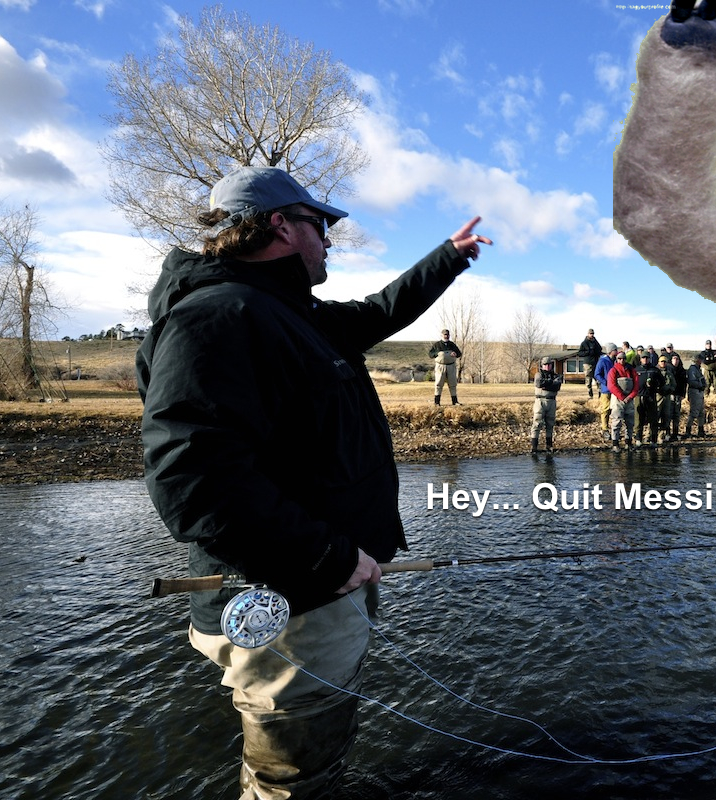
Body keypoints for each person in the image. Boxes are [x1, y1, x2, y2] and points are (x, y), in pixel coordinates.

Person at [136, 165, 491, 799]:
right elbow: (191, 477)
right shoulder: (220, 316)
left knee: (313, 766)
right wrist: (325, 557)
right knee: (289, 783)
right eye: (319, 224)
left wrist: (448, 258)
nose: (329, 239)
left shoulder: (289, 312)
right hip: (292, 603)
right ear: (279, 225)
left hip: (321, 586)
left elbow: (380, 312)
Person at [607, 350, 640, 452]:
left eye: (624, 358)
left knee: (630, 422)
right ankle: (615, 444)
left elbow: (636, 385)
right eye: (620, 358)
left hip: (629, 399)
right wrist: (622, 396)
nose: (622, 360)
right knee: (616, 422)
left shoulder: (631, 370)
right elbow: (611, 386)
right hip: (617, 399)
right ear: (617, 359)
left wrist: (630, 397)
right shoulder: (613, 370)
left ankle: (628, 442)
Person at [531, 357, 564, 453]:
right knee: (537, 424)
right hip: (540, 401)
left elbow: (557, 386)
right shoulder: (538, 374)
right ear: (542, 365)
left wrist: (547, 385)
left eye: (549, 364)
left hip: (552, 402)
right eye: (545, 365)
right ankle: (534, 447)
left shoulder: (556, 375)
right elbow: (539, 383)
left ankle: (549, 446)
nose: (547, 366)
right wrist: (551, 384)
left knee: (550, 424)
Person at [429, 329, 463, 405]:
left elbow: (459, 353)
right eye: (445, 335)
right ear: (442, 335)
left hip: (451, 366)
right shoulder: (437, 345)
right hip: (440, 366)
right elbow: (430, 354)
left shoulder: (452, 344)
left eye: (447, 335)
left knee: (453, 384)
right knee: (438, 384)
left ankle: (455, 402)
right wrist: (437, 353)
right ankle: (436, 402)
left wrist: (455, 354)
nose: (446, 336)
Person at [636, 353, 662, 444]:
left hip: (651, 396)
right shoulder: (636, 370)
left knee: (653, 419)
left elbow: (661, 382)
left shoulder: (655, 370)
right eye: (643, 358)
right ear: (640, 359)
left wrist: (656, 387)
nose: (645, 359)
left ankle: (653, 440)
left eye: (647, 358)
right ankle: (638, 439)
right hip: (639, 396)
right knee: (639, 419)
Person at [593, 343, 618, 440]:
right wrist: (606, 382)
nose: (617, 351)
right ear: (611, 351)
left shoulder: (616, 361)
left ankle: (614, 429)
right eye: (615, 350)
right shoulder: (602, 361)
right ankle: (605, 429)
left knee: (615, 409)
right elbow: (597, 374)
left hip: (615, 389)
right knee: (606, 409)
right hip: (606, 389)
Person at [656, 354, 680, 443]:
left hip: (667, 397)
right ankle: (652, 435)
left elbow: (674, 384)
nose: (663, 363)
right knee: (656, 416)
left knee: (666, 416)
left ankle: (662, 436)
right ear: (659, 362)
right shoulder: (655, 372)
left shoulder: (669, 373)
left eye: (664, 362)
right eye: (661, 361)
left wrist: (670, 390)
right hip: (658, 397)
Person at [685, 353, 709, 437]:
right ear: (697, 360)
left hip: (699, 392)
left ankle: (701, 430)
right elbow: (691, 381)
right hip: (694, 392)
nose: (701, 361)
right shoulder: (692, 369)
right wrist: (701, 385)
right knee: (694, 412)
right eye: (700, 359)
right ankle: (688, 431)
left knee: (701, 412)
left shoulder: (697, 369)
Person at [576, 328, 602, 398]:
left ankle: (600, 393)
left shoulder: (596, 342)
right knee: (588, 379)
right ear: (588, 334)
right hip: (587, 363)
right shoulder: (584, 343)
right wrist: (588, 352)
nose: (592, 335)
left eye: (592, 334)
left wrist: (596, 352)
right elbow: (579, 353)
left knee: (598, 378)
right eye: (590, 333)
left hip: (596, 362)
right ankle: (590, 395)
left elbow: (600, 349)